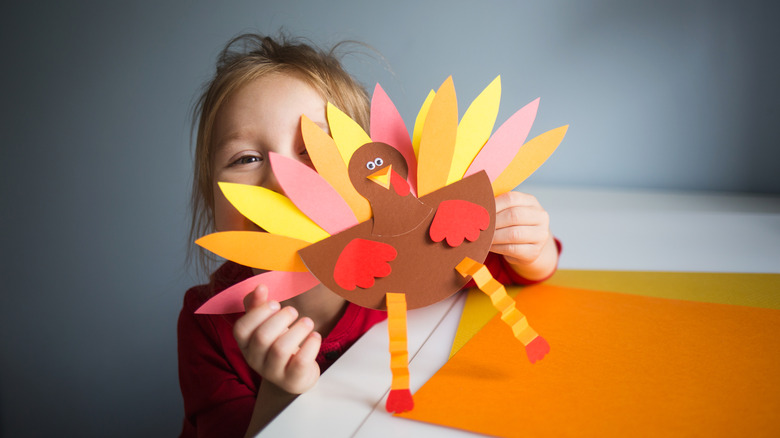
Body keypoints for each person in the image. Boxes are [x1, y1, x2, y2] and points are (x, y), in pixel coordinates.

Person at [177, 33, 560, 438]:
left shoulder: (406, 257)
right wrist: (279, 391)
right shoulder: (207, 324)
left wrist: (534, 249)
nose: (282, 180)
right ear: (210, 194)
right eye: (246, 159)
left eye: (313, 148)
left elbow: (507, 265)